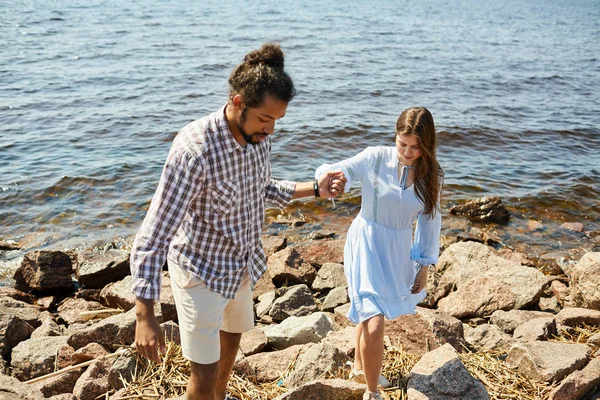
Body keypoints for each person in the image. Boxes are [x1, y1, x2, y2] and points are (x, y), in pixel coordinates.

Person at [130, 43, 345, 400]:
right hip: (200, 271)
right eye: (265, 119)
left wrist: (316, 190)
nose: (271, 130)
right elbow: (154, 232)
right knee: (203, 371)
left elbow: (261, 189)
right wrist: (144, 315)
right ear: (238, 101)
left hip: (240, 264)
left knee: (231, 337)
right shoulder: (194, 150)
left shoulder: (257, 139)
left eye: (277, 120)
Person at [315, 107, 443, 400]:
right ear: (395, 137)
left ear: (427, 144)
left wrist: (423, 265)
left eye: (416, 146)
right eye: (402, 144)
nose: (408, 152)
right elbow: (337, 169)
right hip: (366, 241)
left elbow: (430, 221)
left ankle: (360, 369)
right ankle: (371, 394)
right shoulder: (375, 157)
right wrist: (336, 180)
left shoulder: (431, 174)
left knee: (369, 310)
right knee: (373, 318)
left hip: (397, 249)